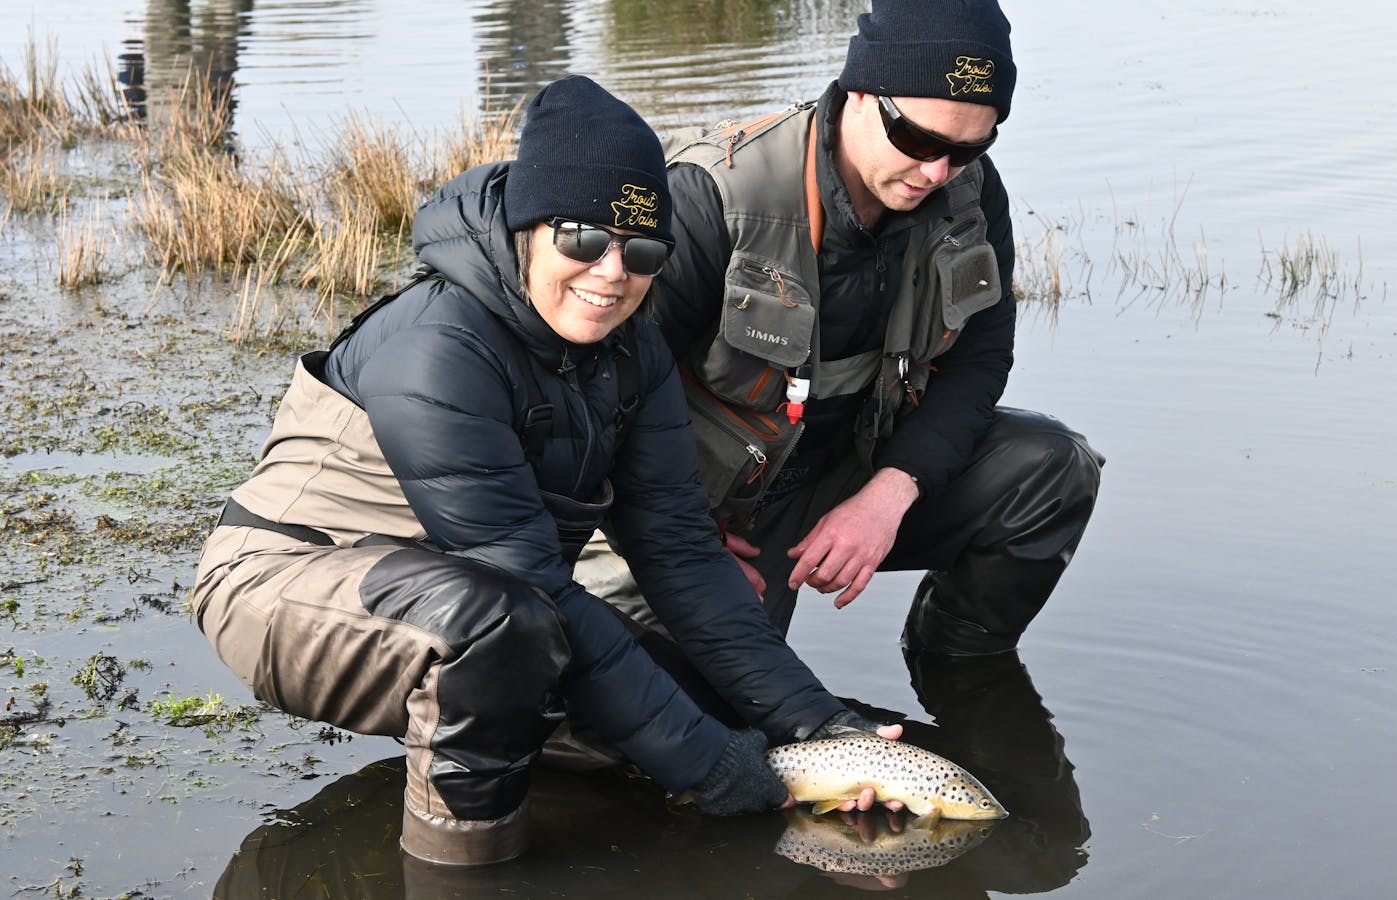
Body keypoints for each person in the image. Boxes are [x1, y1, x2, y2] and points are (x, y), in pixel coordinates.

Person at [191, 75, 894, 869]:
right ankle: (459, 874)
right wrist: (710, 767)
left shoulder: (638, 352)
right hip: (285, 584)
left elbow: (682, 555)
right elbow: (532, 589)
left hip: (480, 593)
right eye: (584, 239)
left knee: (706, 702)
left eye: (643, 250)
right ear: (530, 226)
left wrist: (816, 724)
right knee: (503, 640)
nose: (611, 273)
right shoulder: (436, 348)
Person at [590, 0, 1103, 656]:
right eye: (918, 141)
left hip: (856, 471)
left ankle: (962, 683)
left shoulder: (968, 191)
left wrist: (893, 491)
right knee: (696, 709)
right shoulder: (710, 196)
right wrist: (681, 537)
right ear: (860, 92)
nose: (937, 173)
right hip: (711, 508)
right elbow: (606, 397)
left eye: (970, 147)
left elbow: (980, 357)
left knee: (1055, 469)